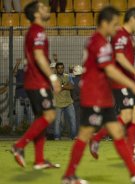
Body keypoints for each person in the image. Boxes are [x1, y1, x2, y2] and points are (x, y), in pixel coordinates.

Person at [62, 6, 135, 184]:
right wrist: (133, 82)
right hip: (94, 95)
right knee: (84, 135)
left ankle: (134, 172)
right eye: (113, 24)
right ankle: (69, 175)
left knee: (117, 133)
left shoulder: (101, 41)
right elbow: (109, 69)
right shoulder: (98, 42)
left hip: (102, 95)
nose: (116, 28)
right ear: (104, 23)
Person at [89, 8, 135, 161]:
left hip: (128, 80)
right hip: (120, 81)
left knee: (134, 115)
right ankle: (97, 137)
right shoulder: (121, 35)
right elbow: (120, 57)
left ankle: (132, 150)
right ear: (133, 19)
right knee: (127, 115)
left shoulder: (128, 36)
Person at [10, 1, 62, 169]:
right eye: (42, 7)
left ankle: (39, 160)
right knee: (49, 116)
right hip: (38, 82)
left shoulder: (33, 31)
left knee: (42, 118)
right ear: (36, 14)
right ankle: (19, 145)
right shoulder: (38, 31)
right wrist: (53, 78)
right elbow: (39, 56)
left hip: (33, 82)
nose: (46, 8)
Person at [53, 62, 76, 140]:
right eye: (59, 68)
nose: (60, 69)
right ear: (56, 69)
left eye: (62, 68)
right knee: (57, 122)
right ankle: (57, 137)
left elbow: (72, 87)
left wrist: (62, 86)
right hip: (58, 103)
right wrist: (66, 86)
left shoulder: (68, 76)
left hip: (69, 102)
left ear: (63, 68)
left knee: (73, 119)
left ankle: (73, 136)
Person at [71, 65, 82, 132]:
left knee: (77, 118)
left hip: (75, 101)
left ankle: (77, 134)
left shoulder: (72, 80)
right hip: (83, 101)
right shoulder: (84, 80)